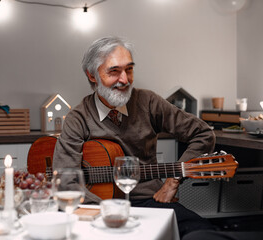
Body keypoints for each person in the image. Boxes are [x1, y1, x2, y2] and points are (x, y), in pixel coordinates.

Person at [52, 36, 216, 237]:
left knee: (203, 233)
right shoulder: (77, 118)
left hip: (150, 201)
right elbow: (67, 179)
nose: (125, 79)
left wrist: (172, 181)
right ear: (92, 75)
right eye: (114, 71)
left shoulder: (148, 102)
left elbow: (203, 133)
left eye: (129, 69)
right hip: (97, 206)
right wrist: (109, 213)